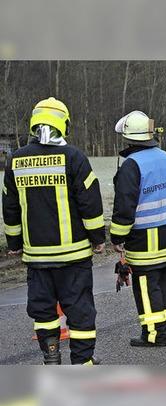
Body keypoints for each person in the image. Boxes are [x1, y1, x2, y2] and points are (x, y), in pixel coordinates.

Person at [2, 97, 104, 365]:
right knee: (80, 313)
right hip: (73, 258)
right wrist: (98, 240)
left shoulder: (15, 160)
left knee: (44, 312)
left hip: (37, 258)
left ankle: (51, 357)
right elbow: (90, 203)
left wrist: (14, 242)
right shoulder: (74, 158)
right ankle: (83, 363)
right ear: (63, 124)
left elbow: (10, 207)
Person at [109, 111, 166, 347]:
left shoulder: (132, 165)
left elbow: (124, 207)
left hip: (144, 240)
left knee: (146, 288)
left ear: (129, 137)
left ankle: (153, 334)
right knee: (165, 284)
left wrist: (118, 236)